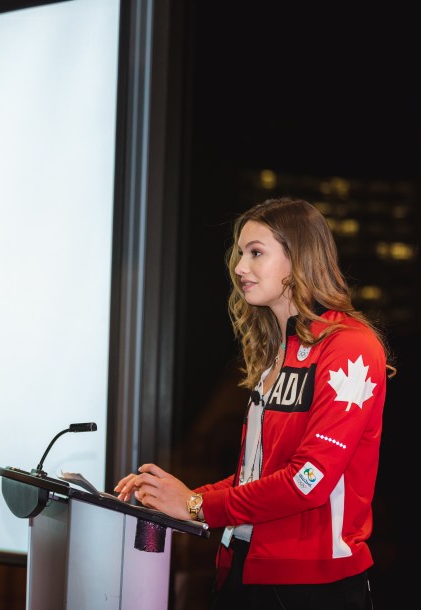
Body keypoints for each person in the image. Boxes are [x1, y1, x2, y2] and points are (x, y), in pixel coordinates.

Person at [114, 197, 394, 610]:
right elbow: (258, 476)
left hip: (312, 587)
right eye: (240, 254)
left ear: (298, 258)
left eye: (256, 253)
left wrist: (196, 505)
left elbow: (307, 481)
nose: (240, 267)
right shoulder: (275, 354)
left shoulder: (351, 348)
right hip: (241, 569)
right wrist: (176, 495)